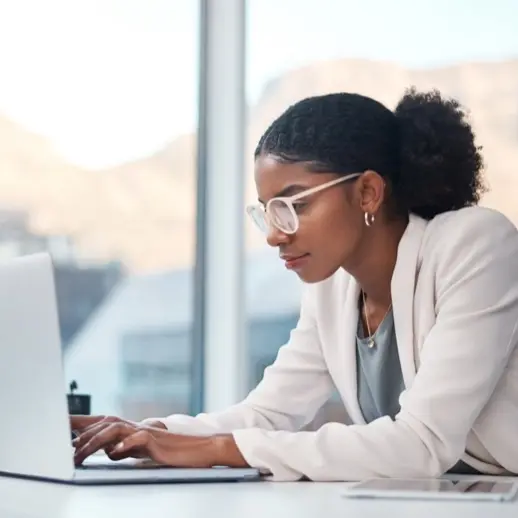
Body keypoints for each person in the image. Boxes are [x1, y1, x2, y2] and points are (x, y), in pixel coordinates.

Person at [71, 88, 518, 481]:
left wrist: (217, 449)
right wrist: (151, 433)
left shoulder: (476, 245)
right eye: (267, 210)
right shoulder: (332, 288)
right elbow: (267, 413)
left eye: (292, 206)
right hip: (442, 500)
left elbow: (422, 443)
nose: (273, 233)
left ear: (367, 192)